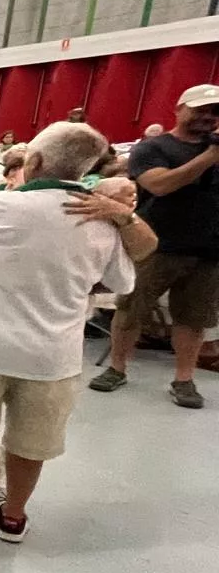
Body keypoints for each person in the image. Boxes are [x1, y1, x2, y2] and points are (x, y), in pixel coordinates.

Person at [0, 122, 155, 550]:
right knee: (30, 443)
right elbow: (121, 281)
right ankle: (14, 518)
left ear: (34, 162)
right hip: (52, 354)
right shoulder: (100, 219)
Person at [91, 84, 219, 409]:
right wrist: (208, 158)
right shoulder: (153, 148)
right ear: (179, 108)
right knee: (131, 308)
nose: (208, 116)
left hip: (208, 248)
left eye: (214, 111)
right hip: (156, 243)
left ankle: (184, 379)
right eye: (200, 109)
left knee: (193, 318)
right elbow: (160, 185)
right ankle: (116, 368)